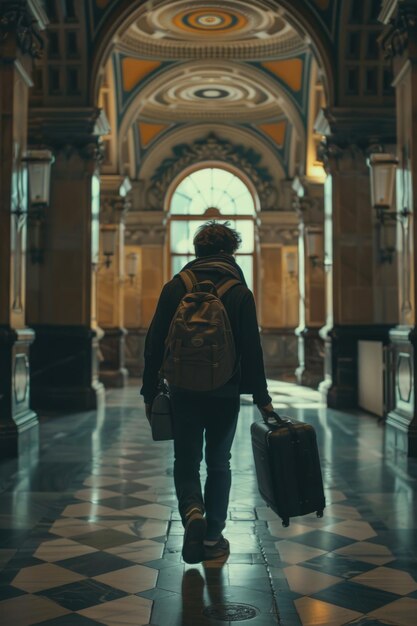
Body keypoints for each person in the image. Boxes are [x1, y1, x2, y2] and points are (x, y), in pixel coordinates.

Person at [141, 220, 274, 564]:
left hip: (183, 390)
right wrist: (262, 399)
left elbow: (154, 342)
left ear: (196, 252)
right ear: (231, 252)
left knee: (186, 461)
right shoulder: (239, 292)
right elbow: (251, 349)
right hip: (224, 392)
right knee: (219, 463)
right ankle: (213, 536)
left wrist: (148, 391)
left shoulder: (176, 287)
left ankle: (192, 513)